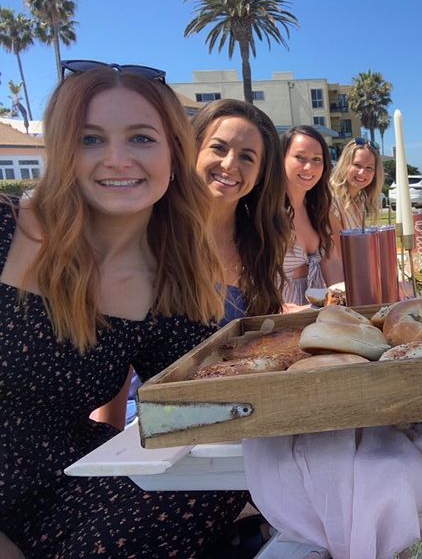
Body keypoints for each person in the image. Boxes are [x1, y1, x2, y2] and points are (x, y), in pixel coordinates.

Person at [0, 62, 246, 557]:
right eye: (90, 139)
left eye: (140, 139)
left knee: (217, 486)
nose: (116, 159)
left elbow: (205, 406)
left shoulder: (170, 285)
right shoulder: (7, 232)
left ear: (174, 153)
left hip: (68, 484)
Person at [193, 98, 290, 321]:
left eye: (246, 157)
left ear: (259, 176)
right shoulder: (156, 235)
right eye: (219, 148)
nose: (229, 164)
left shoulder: (261, 241)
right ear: (193, 150)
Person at [281, 125, 343, 306]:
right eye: (300, 157)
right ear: (281, 158)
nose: (309, 167)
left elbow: (333, 270)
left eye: (317, 159)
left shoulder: (319, 210)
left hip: (316, 321)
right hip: (274, 321)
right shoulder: (266, 212)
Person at [329, 136, 385, 230]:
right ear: (345, 164)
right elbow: (337, 244)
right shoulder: (331, 199)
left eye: (369, 168)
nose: (362, 173)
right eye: (357, 165)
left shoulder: (359, 199)